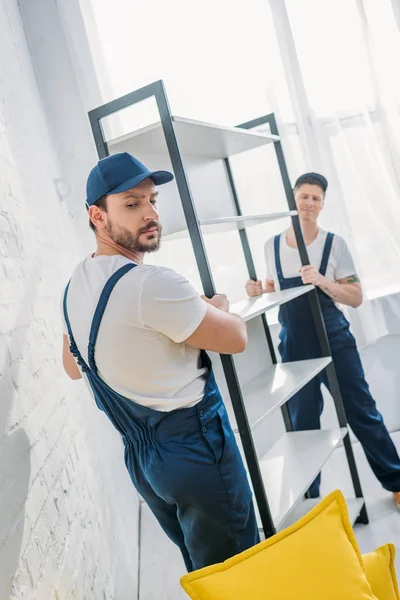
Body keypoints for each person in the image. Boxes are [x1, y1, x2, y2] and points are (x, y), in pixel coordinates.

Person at [62, 152, 259, 572]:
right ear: (97, 215)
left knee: (205, 571)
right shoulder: (153, 284)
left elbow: (72, 363)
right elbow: (236, 339)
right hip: (196, 448)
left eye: (152, 200)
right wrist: (220, 307)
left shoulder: (76, 284)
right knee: (240, 571)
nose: (150, 214)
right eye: (131, 204)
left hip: (145, 463)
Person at [246, 172, 400, 507]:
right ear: (293, 198)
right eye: (304, 196)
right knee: (303, 425)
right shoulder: (270, 246)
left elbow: (356, 296)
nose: (309, 204)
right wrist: (260, 291)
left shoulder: (334, 244)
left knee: (362, 412)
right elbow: (275, 290)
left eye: (316, 198)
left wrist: (321, 281)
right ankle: (309, 499)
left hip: (334, 340)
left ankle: (397, 481)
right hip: (294, 345)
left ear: (323, 204)